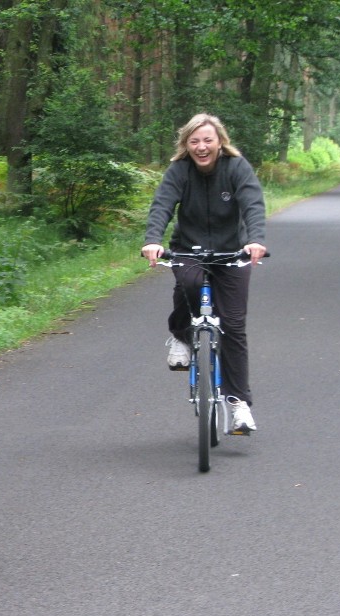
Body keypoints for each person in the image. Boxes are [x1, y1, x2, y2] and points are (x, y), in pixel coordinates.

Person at [142, 113, 266, 433]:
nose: (201, 147)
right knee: (188, 283)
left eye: (207, 140)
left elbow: (252, 203)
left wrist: (255, 240)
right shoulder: (179, 171)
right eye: (194, 141)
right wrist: (153, 240)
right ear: (186, 144)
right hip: (188, 248)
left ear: (219, 141)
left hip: (232, 252)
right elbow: (162, 205)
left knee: (234, 327)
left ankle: (239, 406)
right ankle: (181, 334)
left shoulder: (236, 167)